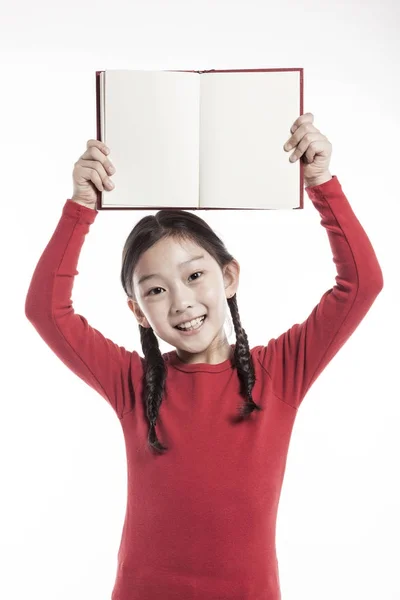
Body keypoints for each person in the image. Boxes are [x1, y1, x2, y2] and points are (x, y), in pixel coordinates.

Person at [25, 112, 383, 600]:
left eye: (195, 276)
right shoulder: (133, 383)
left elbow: (360, 284)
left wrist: (321, 182)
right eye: (155, 290)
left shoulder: (277, 373)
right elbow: (47, 310)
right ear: (137, 310)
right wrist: (81, 207)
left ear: (229, 277)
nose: (181, 302)